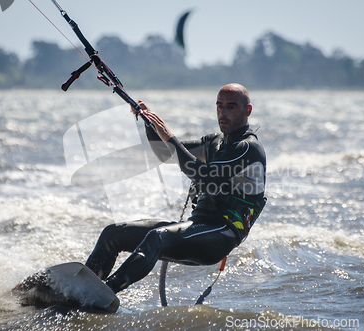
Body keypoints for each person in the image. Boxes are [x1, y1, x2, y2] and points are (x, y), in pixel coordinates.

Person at [85, 83, 267, 294]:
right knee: (112, 234)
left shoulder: (248, 148)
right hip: (198, 225)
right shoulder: (215, 143)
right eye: (219, 106)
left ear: (248, 111)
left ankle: (103, 293)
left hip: (221, 234)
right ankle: (82, 288)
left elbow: (202, 174)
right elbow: (165, 152)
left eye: (231, 107)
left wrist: (168, 134)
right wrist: (148, 121)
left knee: (157, 237)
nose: (222, 112)